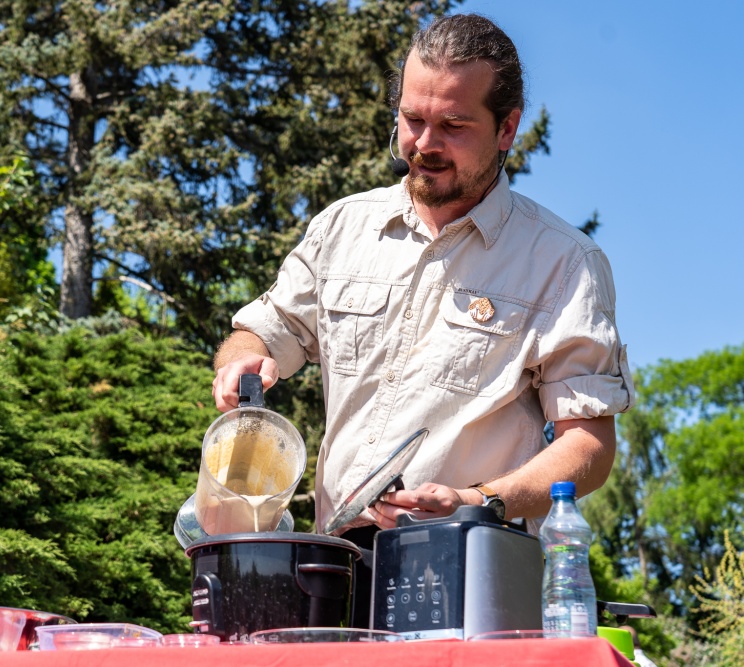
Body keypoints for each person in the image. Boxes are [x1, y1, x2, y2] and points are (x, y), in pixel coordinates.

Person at [211, 12, 633, 621]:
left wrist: (474, 500)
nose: (425, 144)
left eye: (454, 125)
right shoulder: (342, 228)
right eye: (413, 120)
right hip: (329, 573)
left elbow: (589, 446)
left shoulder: (564, 263)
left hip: (471, 568)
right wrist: (242, 359)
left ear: (507, 127)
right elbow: (262, 332)